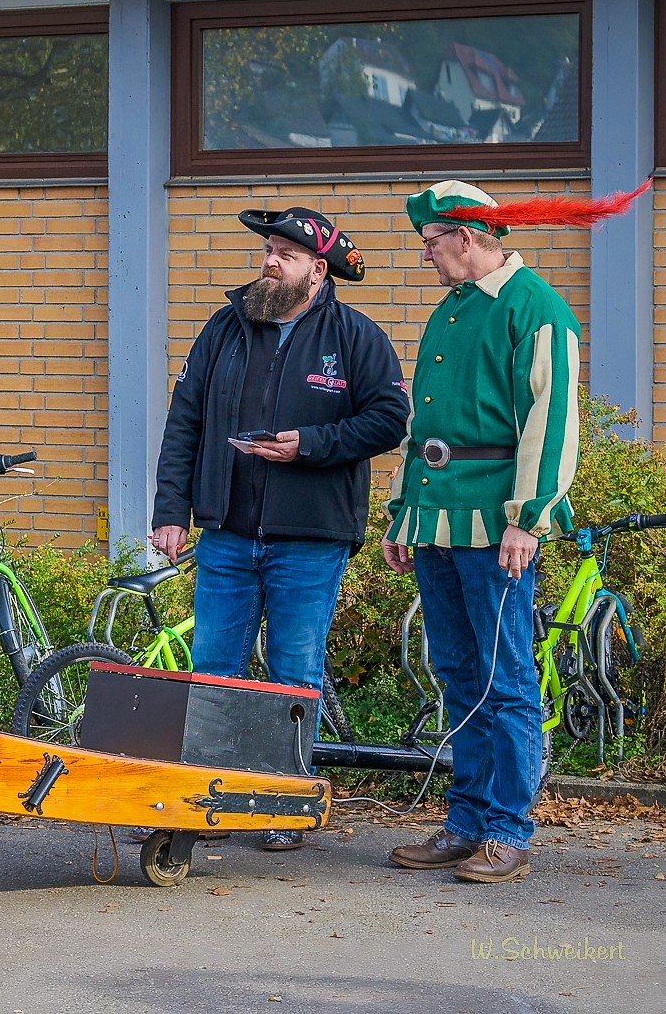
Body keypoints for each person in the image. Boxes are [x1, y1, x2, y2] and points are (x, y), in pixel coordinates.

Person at [382, 178, 646, 883]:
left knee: (506, 682)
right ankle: (465, 823)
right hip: (437, 518)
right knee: (458, 675)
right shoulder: (450, 312)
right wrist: (403, 509)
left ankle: (507, 830)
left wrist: (529, 518)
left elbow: (552, 420)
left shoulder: (537, 309)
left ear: (466, 237)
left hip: (498, 522)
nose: (428, 256)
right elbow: (423, 425)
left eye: (432, 243)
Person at [151, 205, 409, 849]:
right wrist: (169, 510)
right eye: (268, 249)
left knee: (293, 671)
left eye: (286, 254)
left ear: (317, 271)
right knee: (214, 667)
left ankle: (281, 805)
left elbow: (390, 419)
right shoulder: (224, 329)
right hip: (228, 532)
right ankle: (208, 802)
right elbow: (184, 423)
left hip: (311, 537)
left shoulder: (357, 338)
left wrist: (312, 444)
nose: (270, 261)